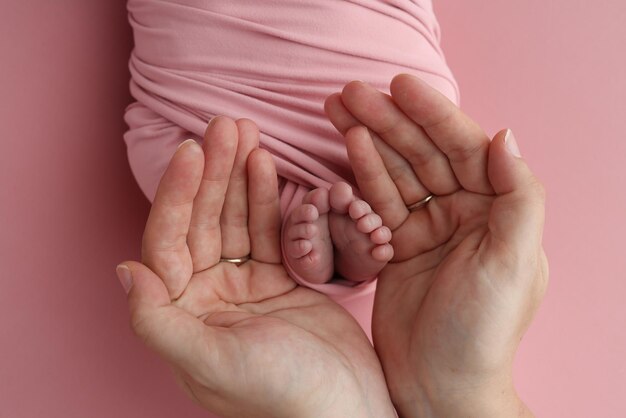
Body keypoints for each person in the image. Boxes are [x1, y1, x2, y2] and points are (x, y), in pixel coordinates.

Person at [116, 74, 548, 417]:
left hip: (209, 101)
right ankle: (339, 261)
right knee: (403, 114)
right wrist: (458, 392)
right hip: (385, 127)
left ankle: (327, 257)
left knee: (188, 163)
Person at [123, 1, 459, 327]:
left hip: (360, 67)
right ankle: (328, 240)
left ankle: (318, 238)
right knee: (185, 168)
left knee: (194, 170)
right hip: (374, 83)